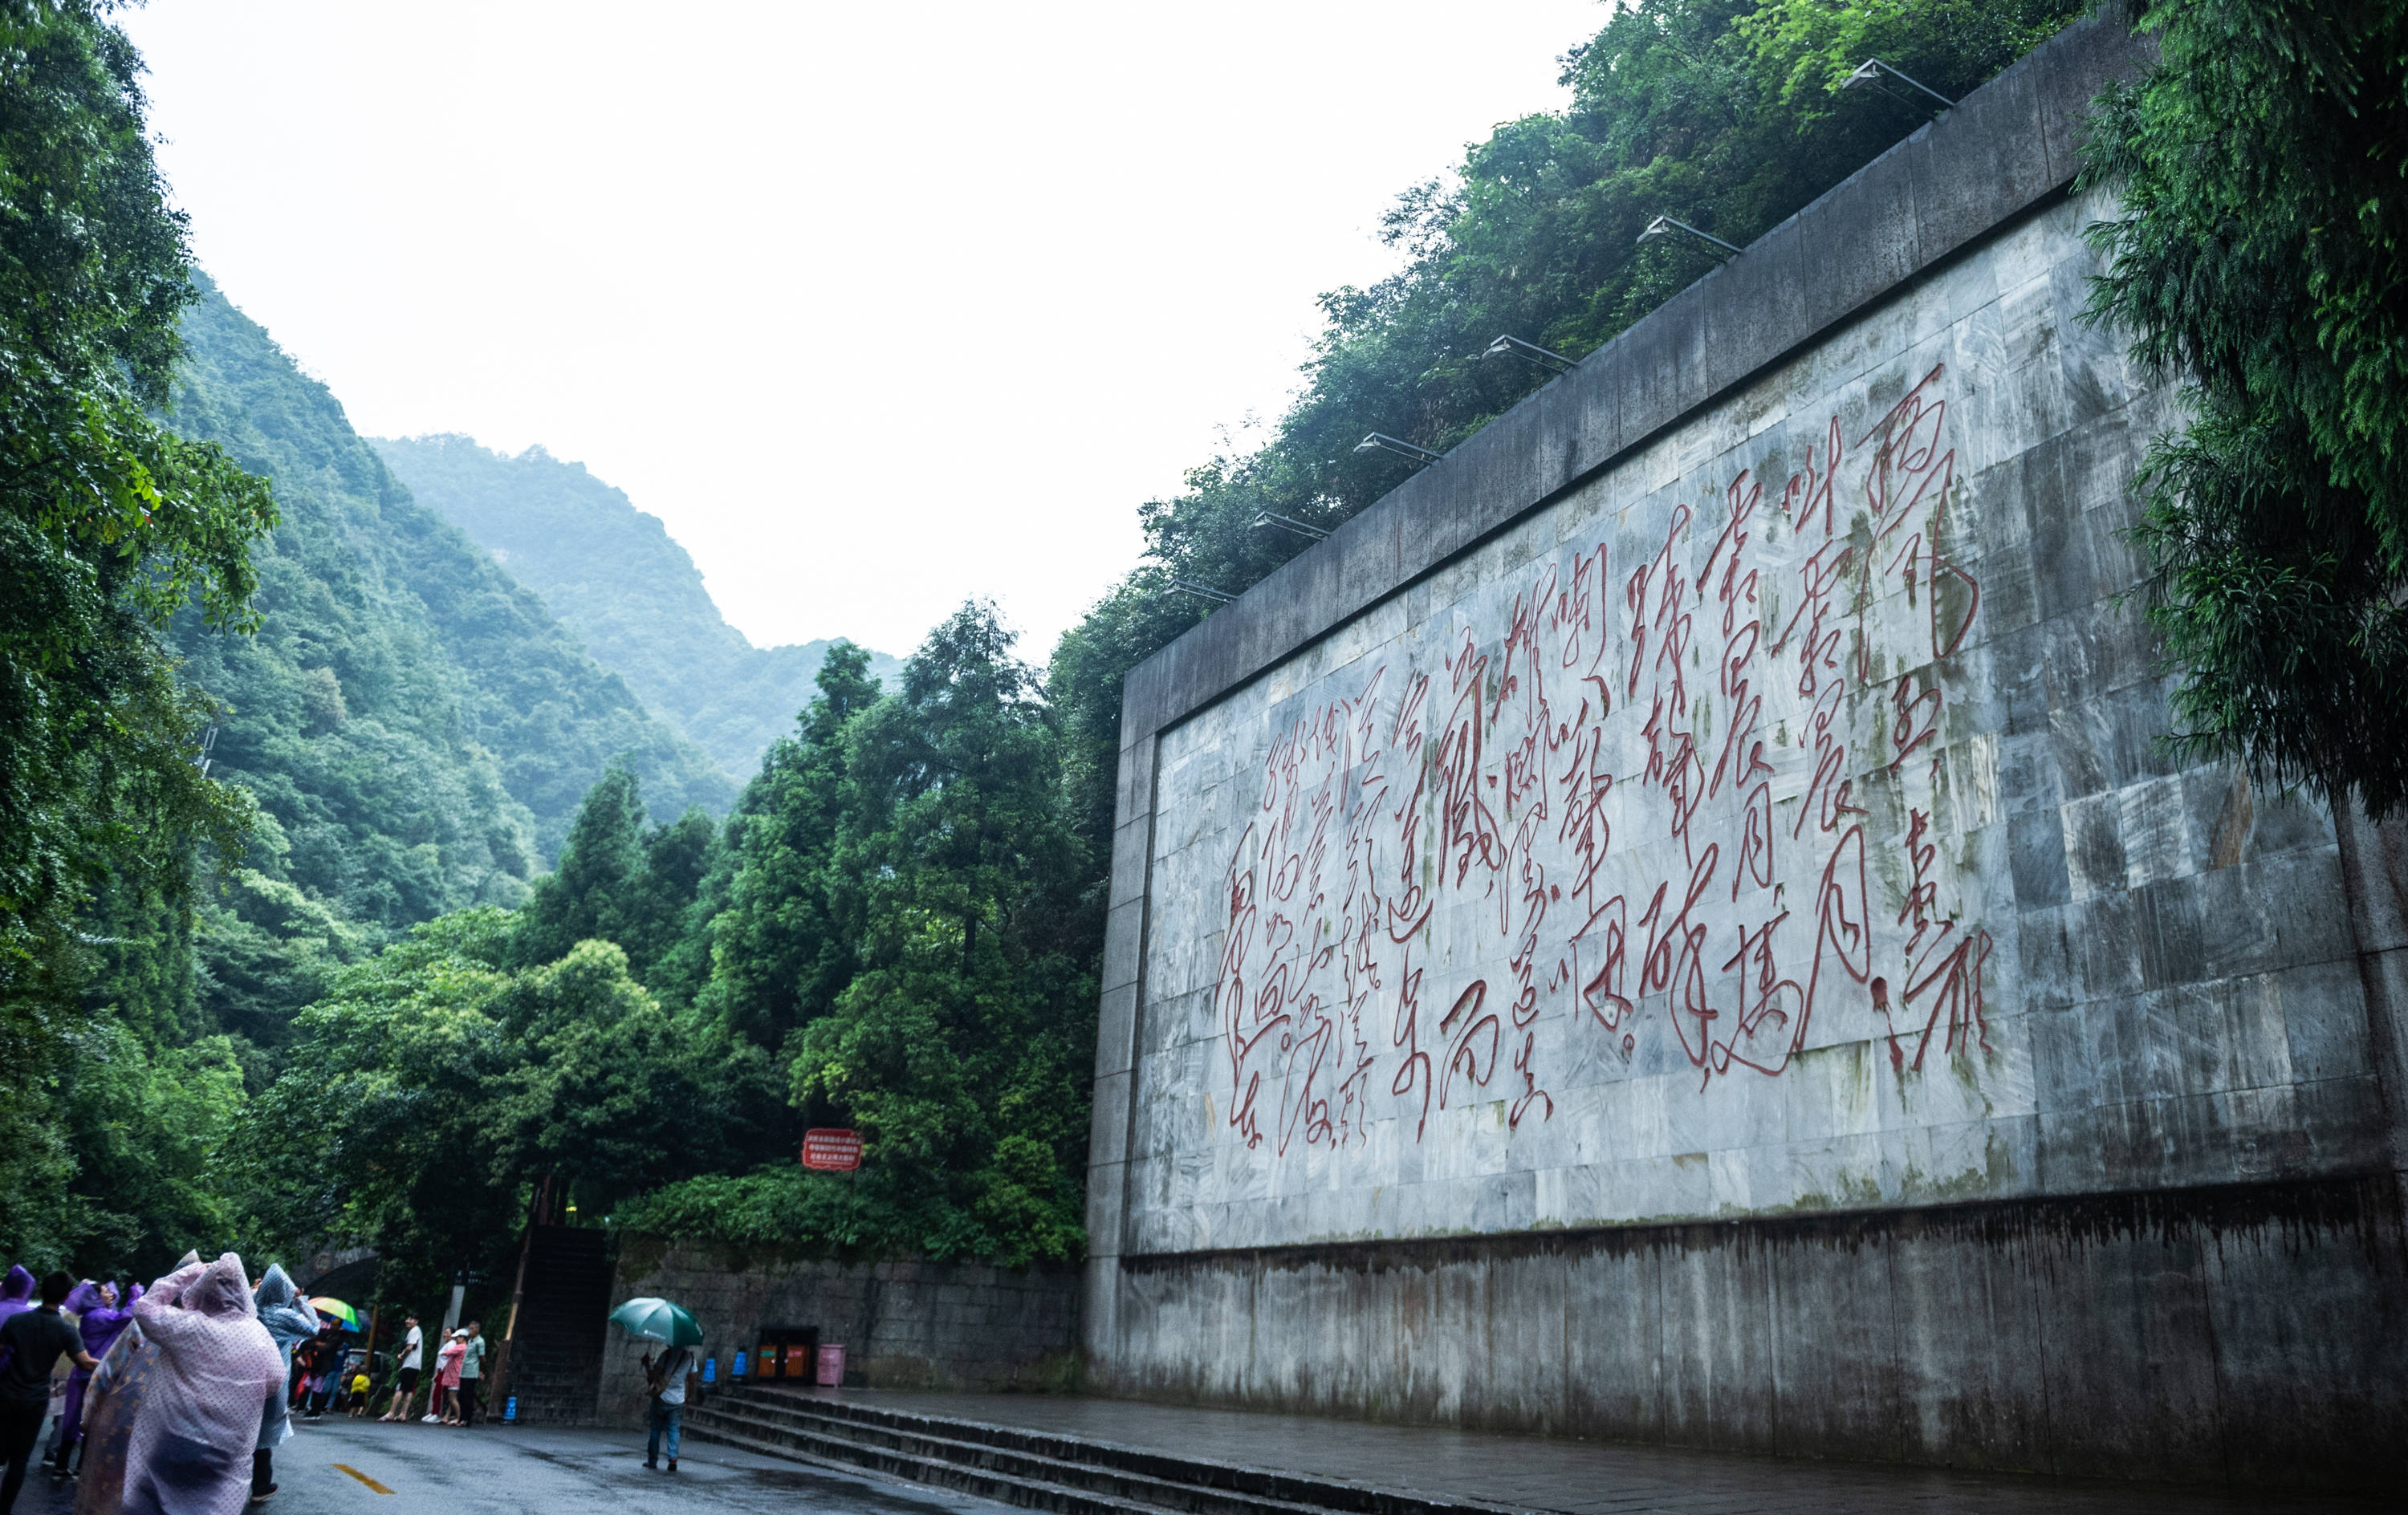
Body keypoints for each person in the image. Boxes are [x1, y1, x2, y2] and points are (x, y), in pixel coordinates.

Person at [120, 1253, 284, 1515]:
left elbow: (144, 1308)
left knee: (154, 1501)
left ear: (203, 1292)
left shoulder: (189, 1327)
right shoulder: (259, 1335)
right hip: (228, 1447)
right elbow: (275, 1381)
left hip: (174, 1438)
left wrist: (190, 1272)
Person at [1, 1272, 97, 1512]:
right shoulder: (65, 1331)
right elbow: (85, 1363)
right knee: (20, 1460)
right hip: (35, 1401)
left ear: (40, 1291)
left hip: (6, 1395)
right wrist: (116, 1363)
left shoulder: (17, 1322)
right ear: (66, 1296)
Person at [51, 1280, 138, 1476]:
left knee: (73, 1419)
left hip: (82, 1373)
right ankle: (79, 1467)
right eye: (106, 1292)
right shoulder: (99, 1316)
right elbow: (126, 1317)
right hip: (95, 1374)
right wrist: (135, 1296)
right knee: (92, 1420)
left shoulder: (93, 1315)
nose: (111, 1295)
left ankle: (61, 1466)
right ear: (94, 1297)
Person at [250, 1266, 316, 1505]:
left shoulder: (251, 1310)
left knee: (240, 1430)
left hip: (245, 1379)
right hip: (274, 1382)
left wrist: (255, 1292)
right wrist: (301, 1302)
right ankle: (260, 1486)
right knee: (263, 1435)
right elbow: (313, 1328)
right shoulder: (285, 1316)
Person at [638, 1342, 694, 1473]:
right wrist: (690, 1396)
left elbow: (653, 1377)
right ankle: (673, 1458)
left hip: (662, 1397)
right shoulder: (690, 1358)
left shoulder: (666, 1355)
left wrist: (647, 1364)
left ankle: (652, 1461)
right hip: (678, 1400)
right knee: (674, 1429)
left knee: (655, 1430)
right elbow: (692, 1380)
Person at [380, 1316, 421, 1423]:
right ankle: (403, 1414)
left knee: (400, 1388)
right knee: (409, 1389)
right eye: (407, 1319)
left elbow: (410, 1347)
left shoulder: (414, 1331)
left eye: (411, 1319)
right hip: (415, 1365)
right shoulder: (417, 1331)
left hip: (409, 1364)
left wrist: (402, 1356)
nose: (408, 1321)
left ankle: (391, 1413)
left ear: (416, 1321)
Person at [429, 1331, 464, 1426]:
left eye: (457, 1337)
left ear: (463, 1338)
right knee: (451, 1397)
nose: (456, 1339)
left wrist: (444, 1353)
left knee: (452, 1397)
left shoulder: (460, 1346)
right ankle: (446, 1417)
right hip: (452, 1373)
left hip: (455, 1374)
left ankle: (458, 1417)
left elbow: (448, 1353)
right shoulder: (459, 1346)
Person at [454, 1323, 485, 1428]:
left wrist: (480, 1370)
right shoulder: (470, 1341)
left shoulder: (480, 1342)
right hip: (464, 1371)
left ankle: (467, 1419)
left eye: (472, 1329)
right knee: (461, 1395)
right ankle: (462, 1417)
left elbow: (482, 1357)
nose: (470, 1331)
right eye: (469, 1328)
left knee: (468, 1395)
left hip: (472, 1372)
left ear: (477, 1329)